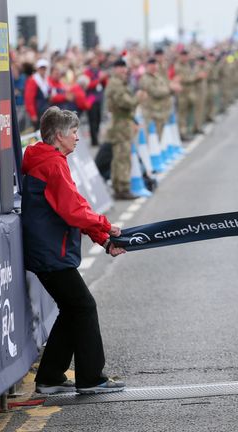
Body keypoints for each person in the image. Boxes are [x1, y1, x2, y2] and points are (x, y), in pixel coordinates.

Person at [21, 107, 127, 394]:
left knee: (72, 308)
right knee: (83, 307)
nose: (78, 138)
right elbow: (73, 211)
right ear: (59, 135)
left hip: (49, 249)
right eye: (74, 133)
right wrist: (106, 226)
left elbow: (73, 205)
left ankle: (51, 376)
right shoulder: (53, 165)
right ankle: (91, 378)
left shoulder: (48, 159)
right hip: (51, 252)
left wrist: (103, 239)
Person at [105, 59, 145, 200]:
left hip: (122, 122)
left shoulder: (119, 82)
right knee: (122, 156)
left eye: (124, 67)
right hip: (120, 124)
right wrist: (137, 99)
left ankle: (119, 187)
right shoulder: (116, 83)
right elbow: (125, 103)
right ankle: (122, 187)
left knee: (119, 156)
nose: (123, 70)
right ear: (115, 69)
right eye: (120, 67)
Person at [23, 58, 50, 130]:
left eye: (44, 68)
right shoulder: (33, 80)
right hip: (37, 111)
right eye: (41, 68)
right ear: (38, 69)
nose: (43, 70)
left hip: (44, 110)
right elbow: (29, 99)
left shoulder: (46, 79)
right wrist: (33, 114)